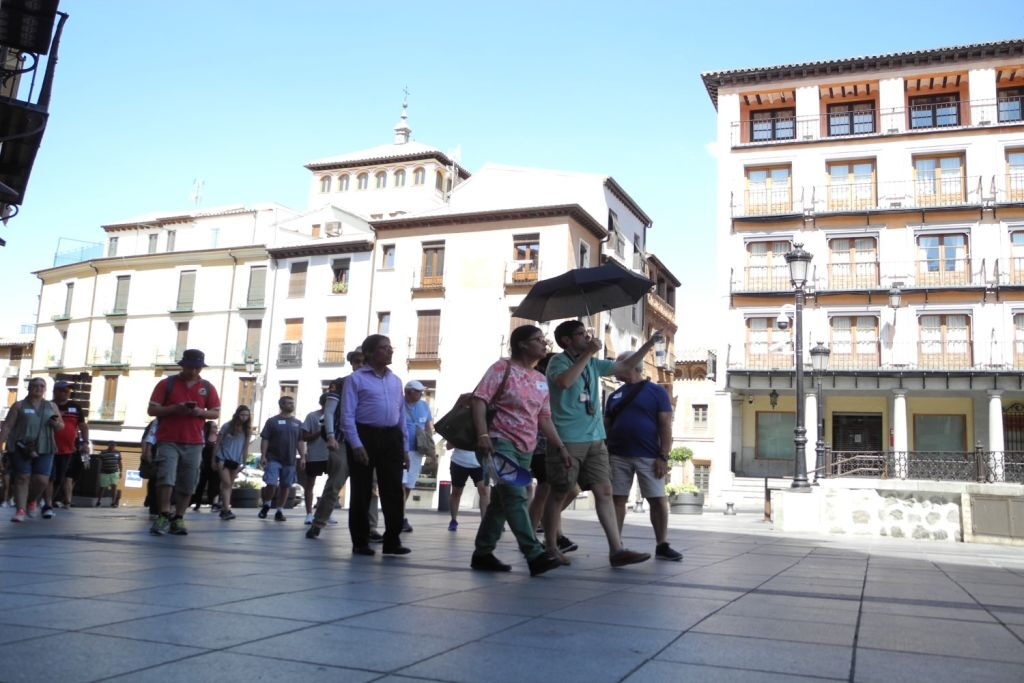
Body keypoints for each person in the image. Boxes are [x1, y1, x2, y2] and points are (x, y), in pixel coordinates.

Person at [542, 320, 662, 567]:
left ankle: (616, 550)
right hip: (567, 438)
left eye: (587, 333)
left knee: (605, 492)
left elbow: (626, 365)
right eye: (580, 334)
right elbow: (565, 382)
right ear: (566, 340)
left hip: (595, 439)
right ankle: (551, 548)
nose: (587, 337)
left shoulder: (594, 364)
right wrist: (587, 354)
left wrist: (649, 344)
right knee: (559, 492)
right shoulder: (558, 362)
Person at [469, 325, 563, 576]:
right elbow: (479, 399)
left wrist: (560, 447)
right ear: (522, 344)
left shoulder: (541, 380)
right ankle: (534, 554)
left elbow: (544, 418)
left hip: (526, 448)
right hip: (500, 442)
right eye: (538, 340)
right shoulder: (503, 368)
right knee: (516, 496)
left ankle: (483, 553)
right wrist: (483, 435)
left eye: (544, 340)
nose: (545, 344)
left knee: (501, 502)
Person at [606, 352, 683, 562]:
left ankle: (662, 544)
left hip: (649, 456)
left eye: (618, 364)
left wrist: (663, 456)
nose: (614, 367)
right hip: (617, 455)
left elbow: (665, 426)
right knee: (617, 500)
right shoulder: (614, 395)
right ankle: (617, 546)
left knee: (657, 499)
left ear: (630, 365)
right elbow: (607, 425)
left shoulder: (656, 392)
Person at [341, 334, 409, 556]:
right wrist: (356, 444)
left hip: (391, 437)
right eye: (384, 348)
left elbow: (401, 417)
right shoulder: (356, 379)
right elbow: (347, 415)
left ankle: (393, 540)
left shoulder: (395, 380)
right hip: (365, 435)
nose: (390, 351)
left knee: (393, 490)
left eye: (390, 347)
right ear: (369, 353)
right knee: (361, 491)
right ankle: (360, 541)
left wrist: (405, 447)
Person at [306, 349, 381, 540]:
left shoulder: (375, 384)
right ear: (351, 363)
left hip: (366, 443)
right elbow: (329, 412)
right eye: (356, 361)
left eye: (363, 362)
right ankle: (318, 523)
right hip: (342, 442)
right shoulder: (340, 384)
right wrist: (330, 436)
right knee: (334, 484)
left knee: (372, 487)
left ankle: (371, 528)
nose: (360, 365)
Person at [146, 349, 221, 536]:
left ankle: (179, 517)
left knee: (189, 481)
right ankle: (163, 514)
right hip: (168, 439)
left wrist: (200, 412)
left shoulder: (208, 387)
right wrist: (175, 408)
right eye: (190, 367)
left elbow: (215, 412)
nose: (194, 371)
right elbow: (152, 410)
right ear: (183, 366)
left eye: (197, 368)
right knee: (166, 477)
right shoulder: (166, 384)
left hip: (195, 442)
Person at [527, 352, 579, 554]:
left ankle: (550, 530)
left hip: (556, 442)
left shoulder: (547, 384)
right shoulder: (541, 384)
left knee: (562, 490)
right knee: (546, 490)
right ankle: (540, 534)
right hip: (541, 444)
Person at [0, 377, 64, 523]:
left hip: (45, 446)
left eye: (42, 386)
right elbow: (8, 426)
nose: (39, 388)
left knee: (42, 480)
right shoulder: (19, 405)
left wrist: (56, 425)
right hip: (21, 446)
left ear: (45, 389)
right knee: (23, 477)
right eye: (35, 385)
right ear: (29, 388)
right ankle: (20, 510)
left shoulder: (51, 406)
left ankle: (31, 500)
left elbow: (61, 426)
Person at [258, 395, 305, 521]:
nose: (292, 405)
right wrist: (263, 455)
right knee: (271, 483)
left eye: (292, 403)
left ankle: (279, 511)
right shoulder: (272, 421)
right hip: (273, 458)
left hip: (289, 460)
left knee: (286, 485)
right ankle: (266, 505)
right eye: (289, 403)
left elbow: (300, 441)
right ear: (282, 405)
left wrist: (303, 457)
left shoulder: (298, 423)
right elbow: (265, 439)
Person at [49, 380, 89, 511]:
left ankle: (49, 501)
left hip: (67, 450)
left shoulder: (76, 407)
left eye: (68, 391)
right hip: (49, 448)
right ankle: (46, 503)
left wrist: (85, 442)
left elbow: (83, 426)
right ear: (56, 392)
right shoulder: (49, 406)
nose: (67, 393)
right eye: (64, 391)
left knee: (59, 478)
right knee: (47, 476)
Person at [401, 380, 433, 533]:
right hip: (401, 451)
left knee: (409, 485)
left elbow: (428, 426)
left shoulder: (424, 405)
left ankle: (400, 514)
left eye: (421, 392)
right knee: (401, 484)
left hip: (417, 451)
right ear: (408, 392)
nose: (421, 394)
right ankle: (400, 517)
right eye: (418, 391)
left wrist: (430, 449)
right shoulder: (398, 404)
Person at [300, 394, 336, 525]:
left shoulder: (336, 416)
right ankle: (309, 514)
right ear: (322, 403)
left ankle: (327, 513)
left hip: (331, 454)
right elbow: (304, 436)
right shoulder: (312, 416)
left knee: (332, 485)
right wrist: (319, 432)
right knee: (310, 485)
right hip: (315, 455)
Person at [214, 405, 251, 520]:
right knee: (226, 483)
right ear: (237, 414)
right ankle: (226, 509)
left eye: (246, 415)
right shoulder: (227, 426)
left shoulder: (247, 430)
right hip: (223, 458)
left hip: (236, 461)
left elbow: (245, 448)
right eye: (242, 414)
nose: (244, 417)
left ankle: (224, 507)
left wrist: (244, 463)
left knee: (229, 485)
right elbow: (218, 443)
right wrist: (213, 459)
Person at [446, 435, 489, 531]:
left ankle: (485, 523)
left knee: (484, 491)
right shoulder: (459, 424)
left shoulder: (484, 424)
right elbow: (448, 446)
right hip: (459, 462)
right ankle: (453, 520)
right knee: (456, 492)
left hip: (480, 462)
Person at [192, 421, 220, 511]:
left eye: (216, 427)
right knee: (200, 484)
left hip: (215, 465)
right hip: (203, 464)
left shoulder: (219, 438)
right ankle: (197, 503)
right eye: (214, 427)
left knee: (215, 484)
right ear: (209, 428)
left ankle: (214, 503)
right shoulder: (203, 437)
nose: (216, 428)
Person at [94, 441, 122, 508]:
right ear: (108, 445)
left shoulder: (118, 453)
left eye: (114, 445)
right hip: (104, 472)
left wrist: (121, 471)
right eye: (111, 445)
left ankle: (113, 502)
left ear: (115, 446)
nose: (112, 446)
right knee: (102, 487)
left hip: (114, 472)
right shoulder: (103, 453)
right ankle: (98, 501)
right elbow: (99, 461)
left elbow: (119, 462)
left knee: (114, 487)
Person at [141, 419, 159, 519]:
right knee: (154, 479)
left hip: (161, 453)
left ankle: (152, 503)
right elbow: (146, 438)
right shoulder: (156, 422)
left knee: (155, 480)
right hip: (155, 454)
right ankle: (153, 505)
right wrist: (146, 453)